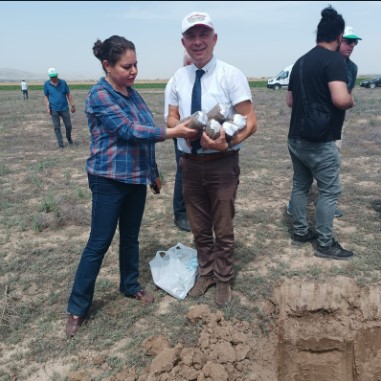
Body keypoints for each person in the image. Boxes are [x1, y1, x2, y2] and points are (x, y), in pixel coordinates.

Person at [65, 35, 198, 338]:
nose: (134, 70)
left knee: (131, 238)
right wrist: (173, 131)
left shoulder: (132, 94)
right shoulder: (100, 96)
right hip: (108, 181)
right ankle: (77, 307)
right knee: (98, 244)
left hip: (135, 179)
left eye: (136, 64)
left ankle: (130, 286)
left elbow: (143, 135)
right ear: (107, 65)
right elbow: (130, 130)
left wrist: (152, 172)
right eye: (127, 66)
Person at [166, 11, 257, 306]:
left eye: (203, 34)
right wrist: (179, 129)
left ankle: (224, 278)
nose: (198, 41)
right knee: (198, 226)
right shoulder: (178, 79)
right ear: (184, 42)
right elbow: (171, 116)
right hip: (189, 165)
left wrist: (227, 143)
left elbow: (250, 120)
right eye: (191, 36)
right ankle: (206, 273)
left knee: (223, 225)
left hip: (221, 164)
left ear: (214, 39)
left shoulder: (231, 75)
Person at [286, 6, 354, 259]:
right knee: (329, 191)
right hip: (320, 139)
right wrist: (350, 100)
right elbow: (340, 99)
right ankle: (325, 244)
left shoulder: (301, 62)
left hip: (295, 137)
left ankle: (301, 231)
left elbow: (290, 101)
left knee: (300, 185)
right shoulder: (335, 60)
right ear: (338, 38)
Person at [164, 51, 193, 232]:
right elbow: (170, 117)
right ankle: (180, 214)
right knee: (183, 173)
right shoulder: (175, 82)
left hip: (199, 135)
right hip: (181, 134)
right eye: (190, 63)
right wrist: (184, 131)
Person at [43, 68, 76, 148]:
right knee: (56, 127)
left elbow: (68, 95)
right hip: (54, 109)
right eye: (51, 77)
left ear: (57, 75)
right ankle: (60, 144)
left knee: (68, 126)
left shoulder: (63, 83)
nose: (53, 78)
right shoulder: (46, 84)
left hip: (64, 108)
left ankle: (69, 138)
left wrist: (72, 105)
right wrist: (48, 107)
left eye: (54, 76)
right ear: (49, 77)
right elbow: (46, 97)